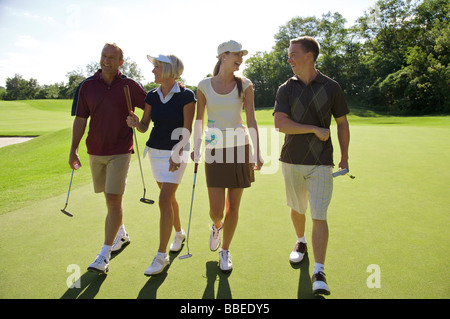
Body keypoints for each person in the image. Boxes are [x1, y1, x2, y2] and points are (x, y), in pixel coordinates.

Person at [273, 36, 350, 295]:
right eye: (289, 54)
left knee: (319, 215)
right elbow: (280, 124)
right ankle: (300, 241)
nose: (289, 58)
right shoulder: (285, 88)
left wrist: (345, 156)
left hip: (321, 163)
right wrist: (314, 129)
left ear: (309, 56)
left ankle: (319, 270)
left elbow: (342, 122)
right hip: (291, 160)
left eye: (294, 54)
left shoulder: (331, 87)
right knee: (297, 209)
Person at [69, 43, 147, 274]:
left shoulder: (130, 86)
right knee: (108, 197)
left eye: (112, 57)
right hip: (95, 150)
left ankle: (103, 255)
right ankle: (120, 233)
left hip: (121, 150)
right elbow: (81, 119)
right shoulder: (87, 86)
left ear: (121, 61)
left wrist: (141, 125)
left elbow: (151, 105)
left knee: (113, 198)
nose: (107, 60)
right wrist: (73, 149)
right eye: (104, 56)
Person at [193, 40, 263, 273]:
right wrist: (195, 146)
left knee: (234, 206)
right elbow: (199, 119)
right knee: (216, 210)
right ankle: (216, 225)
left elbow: (251, 119)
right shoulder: (203, 85)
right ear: (223, 56)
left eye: (242, 55)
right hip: (214, 148)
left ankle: (225, 250)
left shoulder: (245, 84)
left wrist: (257, 151)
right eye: (236, 54)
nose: (240, 59)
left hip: (239, 146)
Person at [126, 54, 196, 276]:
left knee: (164, 199)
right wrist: (136, 123)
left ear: (168, 70)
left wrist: (177, 152)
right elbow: (145, 126)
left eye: (156, 67)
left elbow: (187, 129)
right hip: (155, 151)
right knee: (169, 199)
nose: (153, 71)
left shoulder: (186, 95)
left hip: (176, 153)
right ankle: (179, 233)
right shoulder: (151, 96)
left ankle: (161, 256)